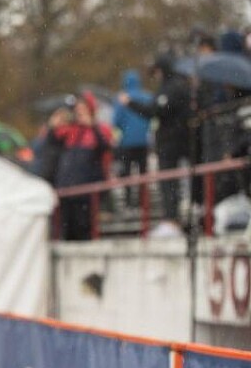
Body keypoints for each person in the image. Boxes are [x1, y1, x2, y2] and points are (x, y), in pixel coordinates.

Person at [119, 52, 192, 225]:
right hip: (178, 139)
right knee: (170, 178)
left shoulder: (171, 88)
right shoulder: (179, 85)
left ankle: (172, 217)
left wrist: (130, 103)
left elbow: (154, 110)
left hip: (171, 142)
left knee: (168, 179)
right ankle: (177, 213)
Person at [47, 91, 115, 240]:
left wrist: (92, 126)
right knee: (67, 229)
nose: (79, 112)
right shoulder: (70, 130)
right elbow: (52, 144)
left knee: (84, 227)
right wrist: (52, 127)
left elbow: (106, 147)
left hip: (86, 190)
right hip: (67, 187)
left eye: (83, 109)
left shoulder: (99, 129)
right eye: (78, 109)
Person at [112, 69, 152, 209]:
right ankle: (143, 200)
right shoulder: (147, 96)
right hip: (144, 141)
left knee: (127, 172)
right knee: (143, 172)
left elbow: (116, 121)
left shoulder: (121, 98)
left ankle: (129, 201)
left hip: (127, 142)